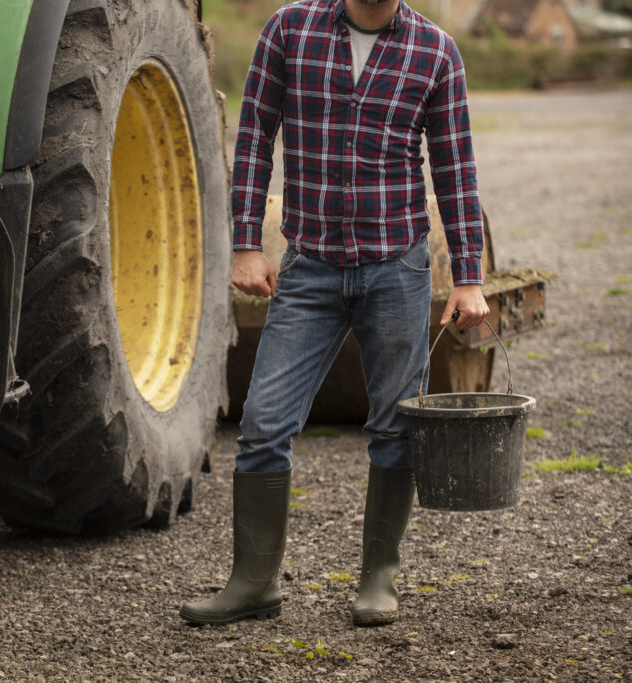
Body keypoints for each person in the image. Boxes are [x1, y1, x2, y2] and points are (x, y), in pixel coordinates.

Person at [180, 0, 489, 627]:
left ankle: (379, 579)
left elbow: (456, 169)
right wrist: (246, 243)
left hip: (396, 268)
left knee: (396, 426)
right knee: (264, 423)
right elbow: (255, 134)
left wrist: (469, 278)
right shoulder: (289, 30)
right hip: (310, 267)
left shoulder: (436, 51)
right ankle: (253, 582)